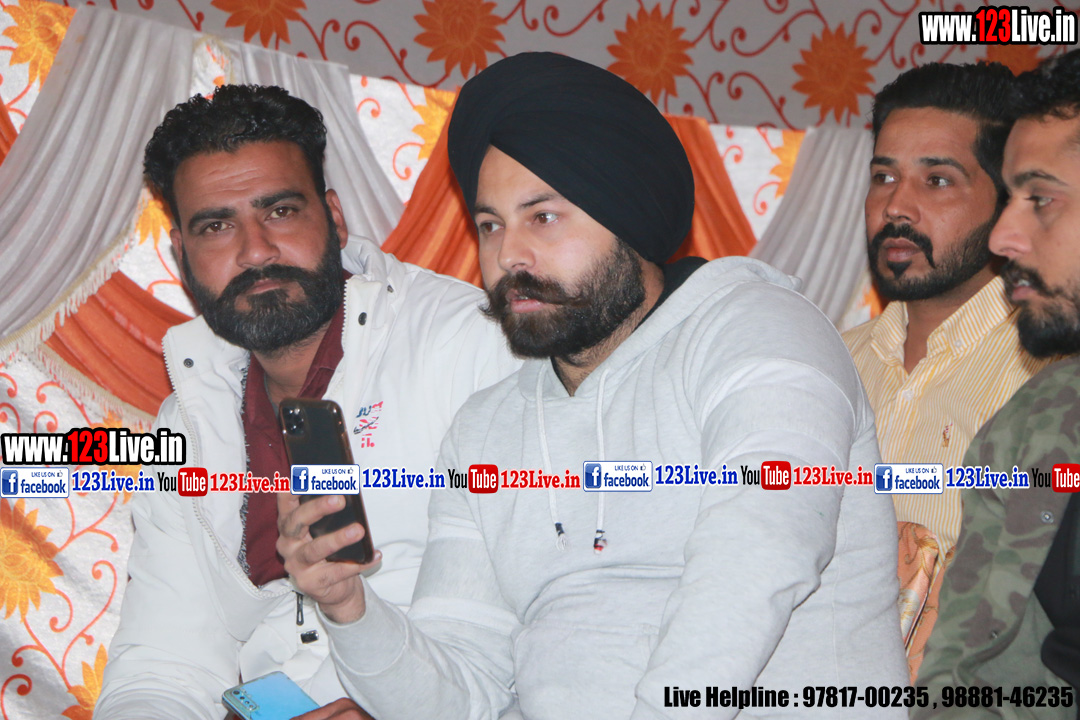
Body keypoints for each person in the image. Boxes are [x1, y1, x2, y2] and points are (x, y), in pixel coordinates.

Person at [279, 52, 908, 719]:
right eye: (490, 225)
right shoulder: (485, 430)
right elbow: (458, 695)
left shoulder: (759, 328)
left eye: (543, 217)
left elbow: (759, 560)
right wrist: (348, 606)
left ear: (625, 213)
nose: (508, 254)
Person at [95, 85, 517, 719]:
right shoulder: (189, 420)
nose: (255, 251)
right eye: (216, 226)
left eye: (281, 211)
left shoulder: (467, 345)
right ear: (181, 254)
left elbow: (556, 599)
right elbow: (161, 664)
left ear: (334, 217)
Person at [841, 62, 1056, 676]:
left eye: (937, 180)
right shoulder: (827, 363)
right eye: (883, 176)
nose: (896, 207)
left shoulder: (1050, 377)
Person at [915, 50, 1080, 718]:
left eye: (1041, 199)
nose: (1003, 236)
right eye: (1009, 198)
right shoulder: (1032, 425)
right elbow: (963, 682)